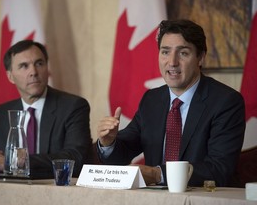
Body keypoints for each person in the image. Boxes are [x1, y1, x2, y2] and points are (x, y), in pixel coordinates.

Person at [97, 19, 245, 187]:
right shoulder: (152, 100)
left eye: (183, 53)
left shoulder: (225, 102)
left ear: (200, 58)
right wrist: (108, 143)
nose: (172, 62)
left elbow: (219, 169)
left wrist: (157, 175)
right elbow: (124, 152)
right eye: (165, 52)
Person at [0, 40, 92, 177]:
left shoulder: (73, 106)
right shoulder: (3, 112)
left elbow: (75, 158)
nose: (33, 72)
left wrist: (13, 162)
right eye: (23, 66)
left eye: (39, 63)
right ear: (10, 76)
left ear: (47, 68)